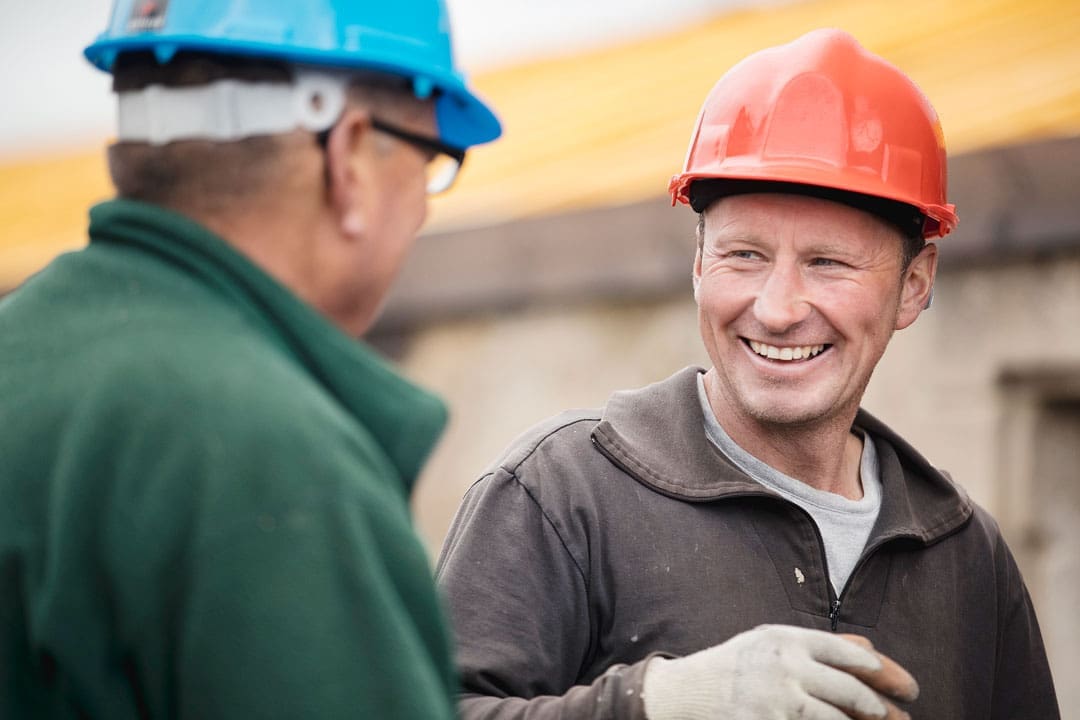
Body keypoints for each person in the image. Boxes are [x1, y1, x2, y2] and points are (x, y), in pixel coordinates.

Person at [435, 28, 1060, 719]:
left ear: (914, 285)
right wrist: (658, 705)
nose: (778, 308)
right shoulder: (560, 496)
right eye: (744, 256)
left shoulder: (965, 555)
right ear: (699, 264)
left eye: (828, 262)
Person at [0, 1, 499, 717]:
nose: (421, 208)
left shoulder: (22, 353)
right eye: (432, 164)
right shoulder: (271, 462)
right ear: (350, 156)